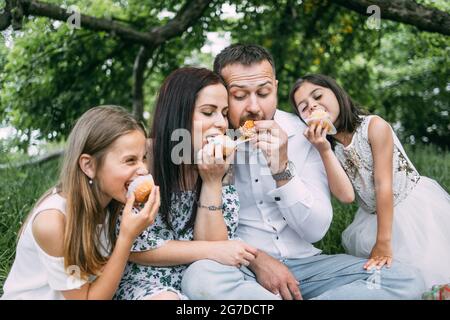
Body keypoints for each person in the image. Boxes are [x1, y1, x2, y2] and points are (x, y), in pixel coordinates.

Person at [181, 44, 426, 300]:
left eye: (263, 93)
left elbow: (315, 231)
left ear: (274, 88)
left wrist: (282, 168)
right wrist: (257, 260)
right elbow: (207, 240)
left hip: (308, 267)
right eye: (239, 96)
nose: (254, 107)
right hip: (243, 269)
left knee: (404, 278)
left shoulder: (304, 134)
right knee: (200, 276)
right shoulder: (208, 137)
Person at [290, 74, 450, 289]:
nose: (313, 106)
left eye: (318, 96)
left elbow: (383, 185)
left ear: (336, 94)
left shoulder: (374, 126)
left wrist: (383, 241)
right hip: (371, 216)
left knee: (428, 268)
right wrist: (324, 150)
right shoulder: (331, 148)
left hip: (409, 207)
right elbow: (346, 196)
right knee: (387, 274)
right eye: (304, 107)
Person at [113, 67, 259, 300]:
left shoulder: (221, 165)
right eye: (208, 112)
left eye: (223, 113)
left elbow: (216, 254)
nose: (221, 123)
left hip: (204, 279)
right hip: (148, 282)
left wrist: (211, 182)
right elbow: (137, 247)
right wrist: (212, 250)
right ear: (177, 113)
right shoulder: (143, 158)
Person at [1, 106, 160, 300]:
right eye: (130, 160)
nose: (143, 170)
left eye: (144, 158)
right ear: (89, 166)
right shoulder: (52, 222)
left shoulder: (114, 204)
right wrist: (127, 237)